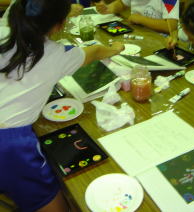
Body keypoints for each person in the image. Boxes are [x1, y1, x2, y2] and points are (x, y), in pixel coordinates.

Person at [0, 0, 124, 211]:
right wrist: (114, 48)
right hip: (10, 146)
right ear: (59, 25)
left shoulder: (3, 32)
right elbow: (93, 52)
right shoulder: (57, 53)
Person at [95, 0, 179, 37]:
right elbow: (122, 3)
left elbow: (170, 27)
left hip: (160, 40)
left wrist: (140, 19)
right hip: (136, 33)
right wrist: (109, 8)